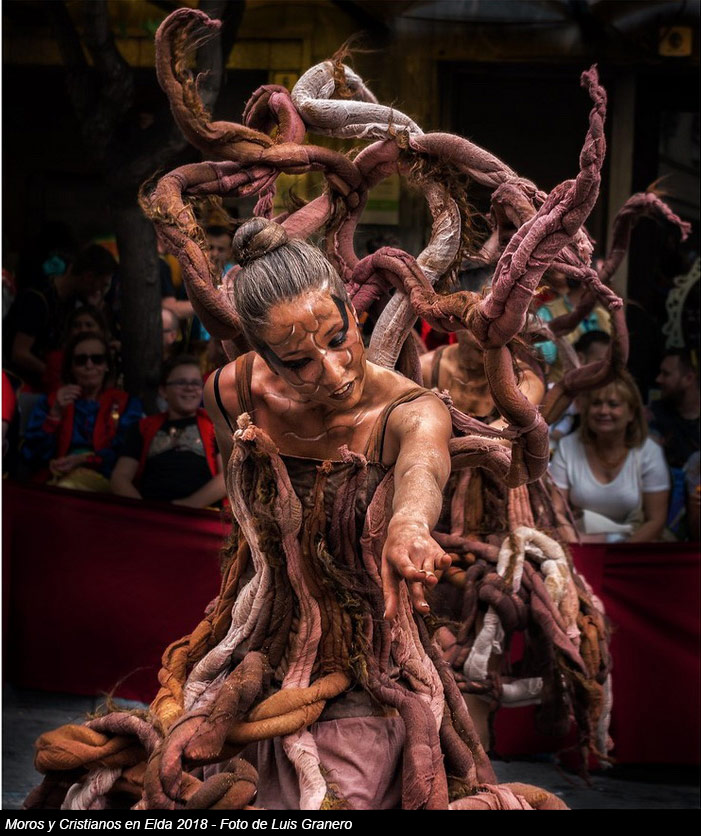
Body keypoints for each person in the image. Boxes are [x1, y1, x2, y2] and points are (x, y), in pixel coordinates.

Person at [550, 370, 670, 542]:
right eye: (596, 403)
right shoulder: (567, 447)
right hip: (581, 542)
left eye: (613, 404)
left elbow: (656, 521)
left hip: (636, 546)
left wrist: (619, 550)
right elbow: (556, 512)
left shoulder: (649, 452)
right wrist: (577, 545)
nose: (603, 411)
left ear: (631, 413)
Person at [22, 333, 142, 491]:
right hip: (54, 475)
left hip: (104, 477)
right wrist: (55, 415)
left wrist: (85, 460)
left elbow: (125, 454)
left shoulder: (126, 404)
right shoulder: (51, 401)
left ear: (107, 366)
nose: (89, 365)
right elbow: (32, 454)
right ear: (71, 368)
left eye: (97, 359)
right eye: (81, 360)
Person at [111, 355, 225, 508]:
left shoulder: (215, 426)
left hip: (201, 512)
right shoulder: (142, 428)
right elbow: (120, 478)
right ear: (163, 391)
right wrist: (145, 512)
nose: (189, 388)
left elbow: (227, 477)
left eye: (195, 383)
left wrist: (187, 505)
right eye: (181, 382)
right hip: (151, 513)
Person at [2, 245, 117, 391]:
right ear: (88, 277)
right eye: (103, 286)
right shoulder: (37, 300)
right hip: (19, 386)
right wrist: (59, 375)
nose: (101, 293)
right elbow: (20, 353)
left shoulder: (70, 302)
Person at [647, 348, 700, 538]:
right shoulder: (653, 415)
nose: (658, 379)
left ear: (689, 378)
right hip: (662, 512)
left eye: (666, 374)